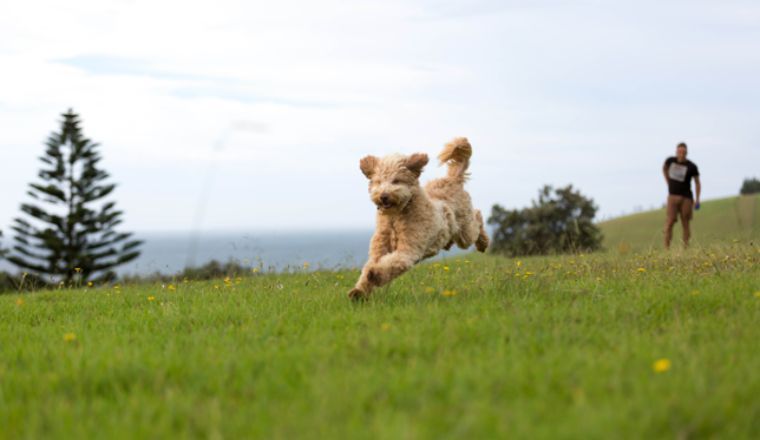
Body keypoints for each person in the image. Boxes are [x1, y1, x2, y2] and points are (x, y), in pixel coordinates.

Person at [663, 142, 701, 249]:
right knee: (670, 222)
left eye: (683, 152)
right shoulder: (670, 161)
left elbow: (697, 182)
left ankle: (685, 248)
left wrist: (697, 199)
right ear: (676, 152)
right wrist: (668, 181)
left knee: (685, 223)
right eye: (679, 151)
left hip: (686, 198)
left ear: (686, 152)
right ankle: (667, 249)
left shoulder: (692, 166)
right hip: (672, 196)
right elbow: (664, 168)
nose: (681, 154)